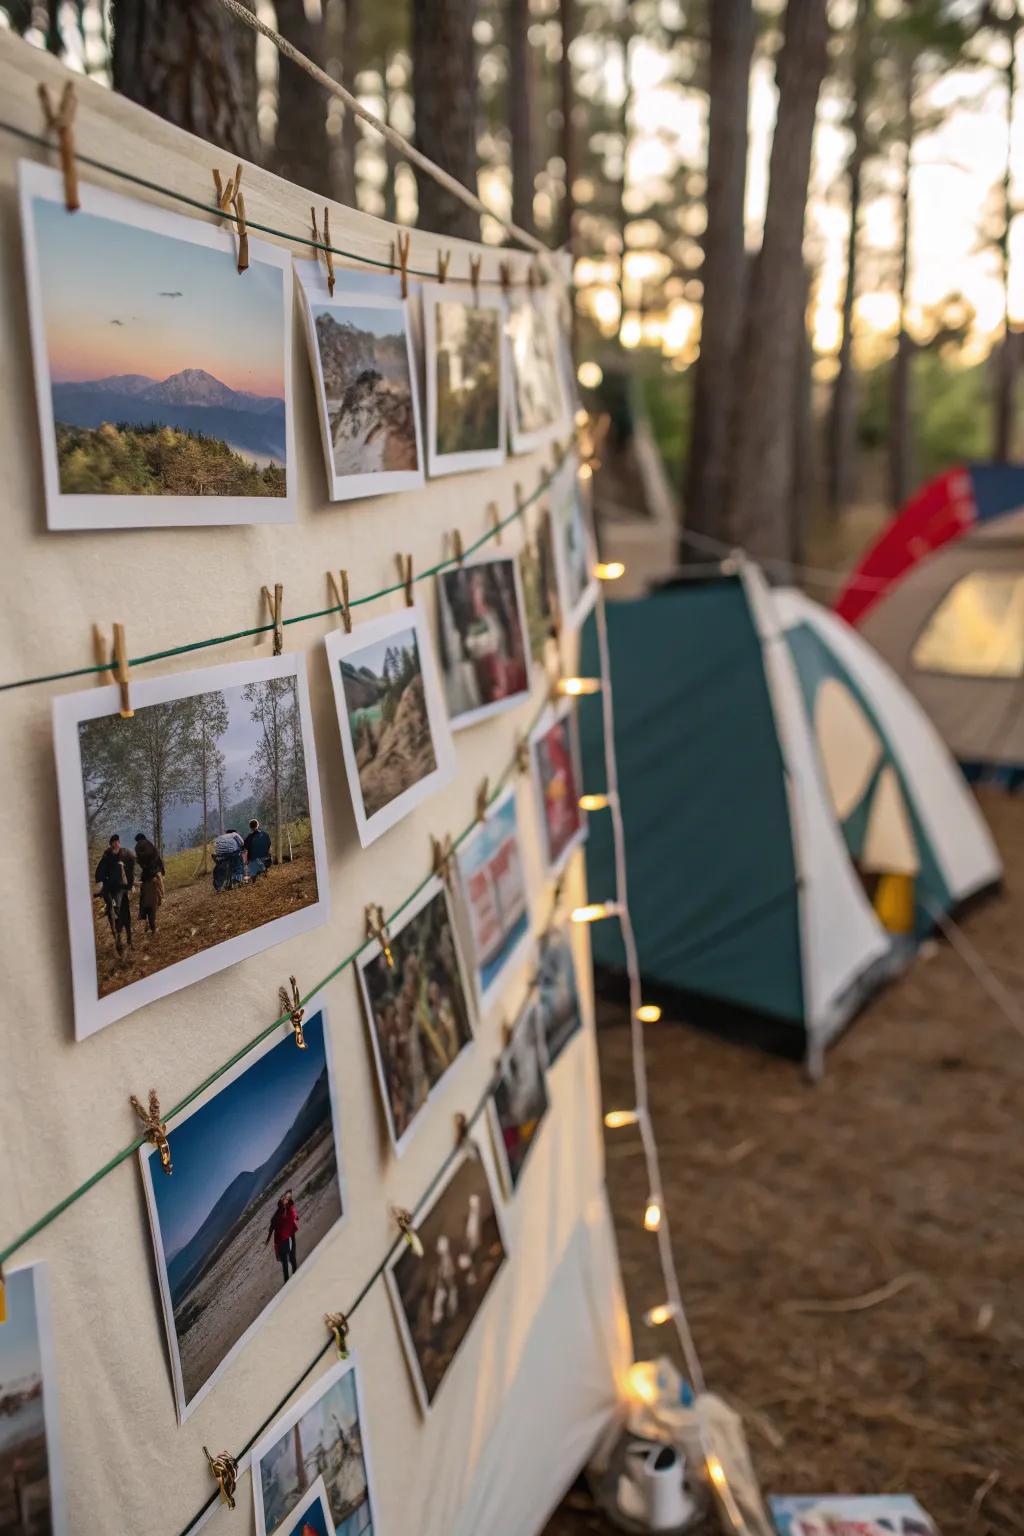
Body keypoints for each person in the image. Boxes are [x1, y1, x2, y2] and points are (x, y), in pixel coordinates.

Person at [94, 834, 135, 955]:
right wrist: (102, 882)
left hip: (122, 888)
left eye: (118, 841)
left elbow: (131, 867)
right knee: (113, 913)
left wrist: (130, 883)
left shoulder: (125, 854)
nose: (117, 843)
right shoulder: (107, 856)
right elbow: (99, 872)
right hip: (110, 889)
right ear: (111, 844)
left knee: (125, 913)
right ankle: (118, 939)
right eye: (114, 841)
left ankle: (129, 939)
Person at [264, 1190, 299, 1285]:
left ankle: (291, 1278)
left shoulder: (285, 1210)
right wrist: (267, 1239)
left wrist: (268, 1239)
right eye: (283, 1201)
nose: (284, 1203)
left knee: (288, 1260)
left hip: (285, 1239)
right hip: (283, 1240)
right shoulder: (279, 1214)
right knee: (289, 1260)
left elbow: (293, 1213)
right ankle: (291, 1278)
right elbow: (271, 1229)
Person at [134, 833, 165, 934]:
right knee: (154, 901)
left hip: (146, 877)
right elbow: (157, 858)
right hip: (154, 874)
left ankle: (147, 921)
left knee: (146, 901)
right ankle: (153, 927)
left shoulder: (138, 848)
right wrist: (161, 871)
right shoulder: (149, 845)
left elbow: (141, 862)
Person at [212, 828, 245, 892]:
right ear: (235, 832)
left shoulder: (220, 837)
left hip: (220, 855)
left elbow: (215, 847)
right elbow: (242, 844)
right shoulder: (235, 834)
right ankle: (238, 880)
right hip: (232, 853)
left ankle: (218, 886)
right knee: (238, 863)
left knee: (220, 868)